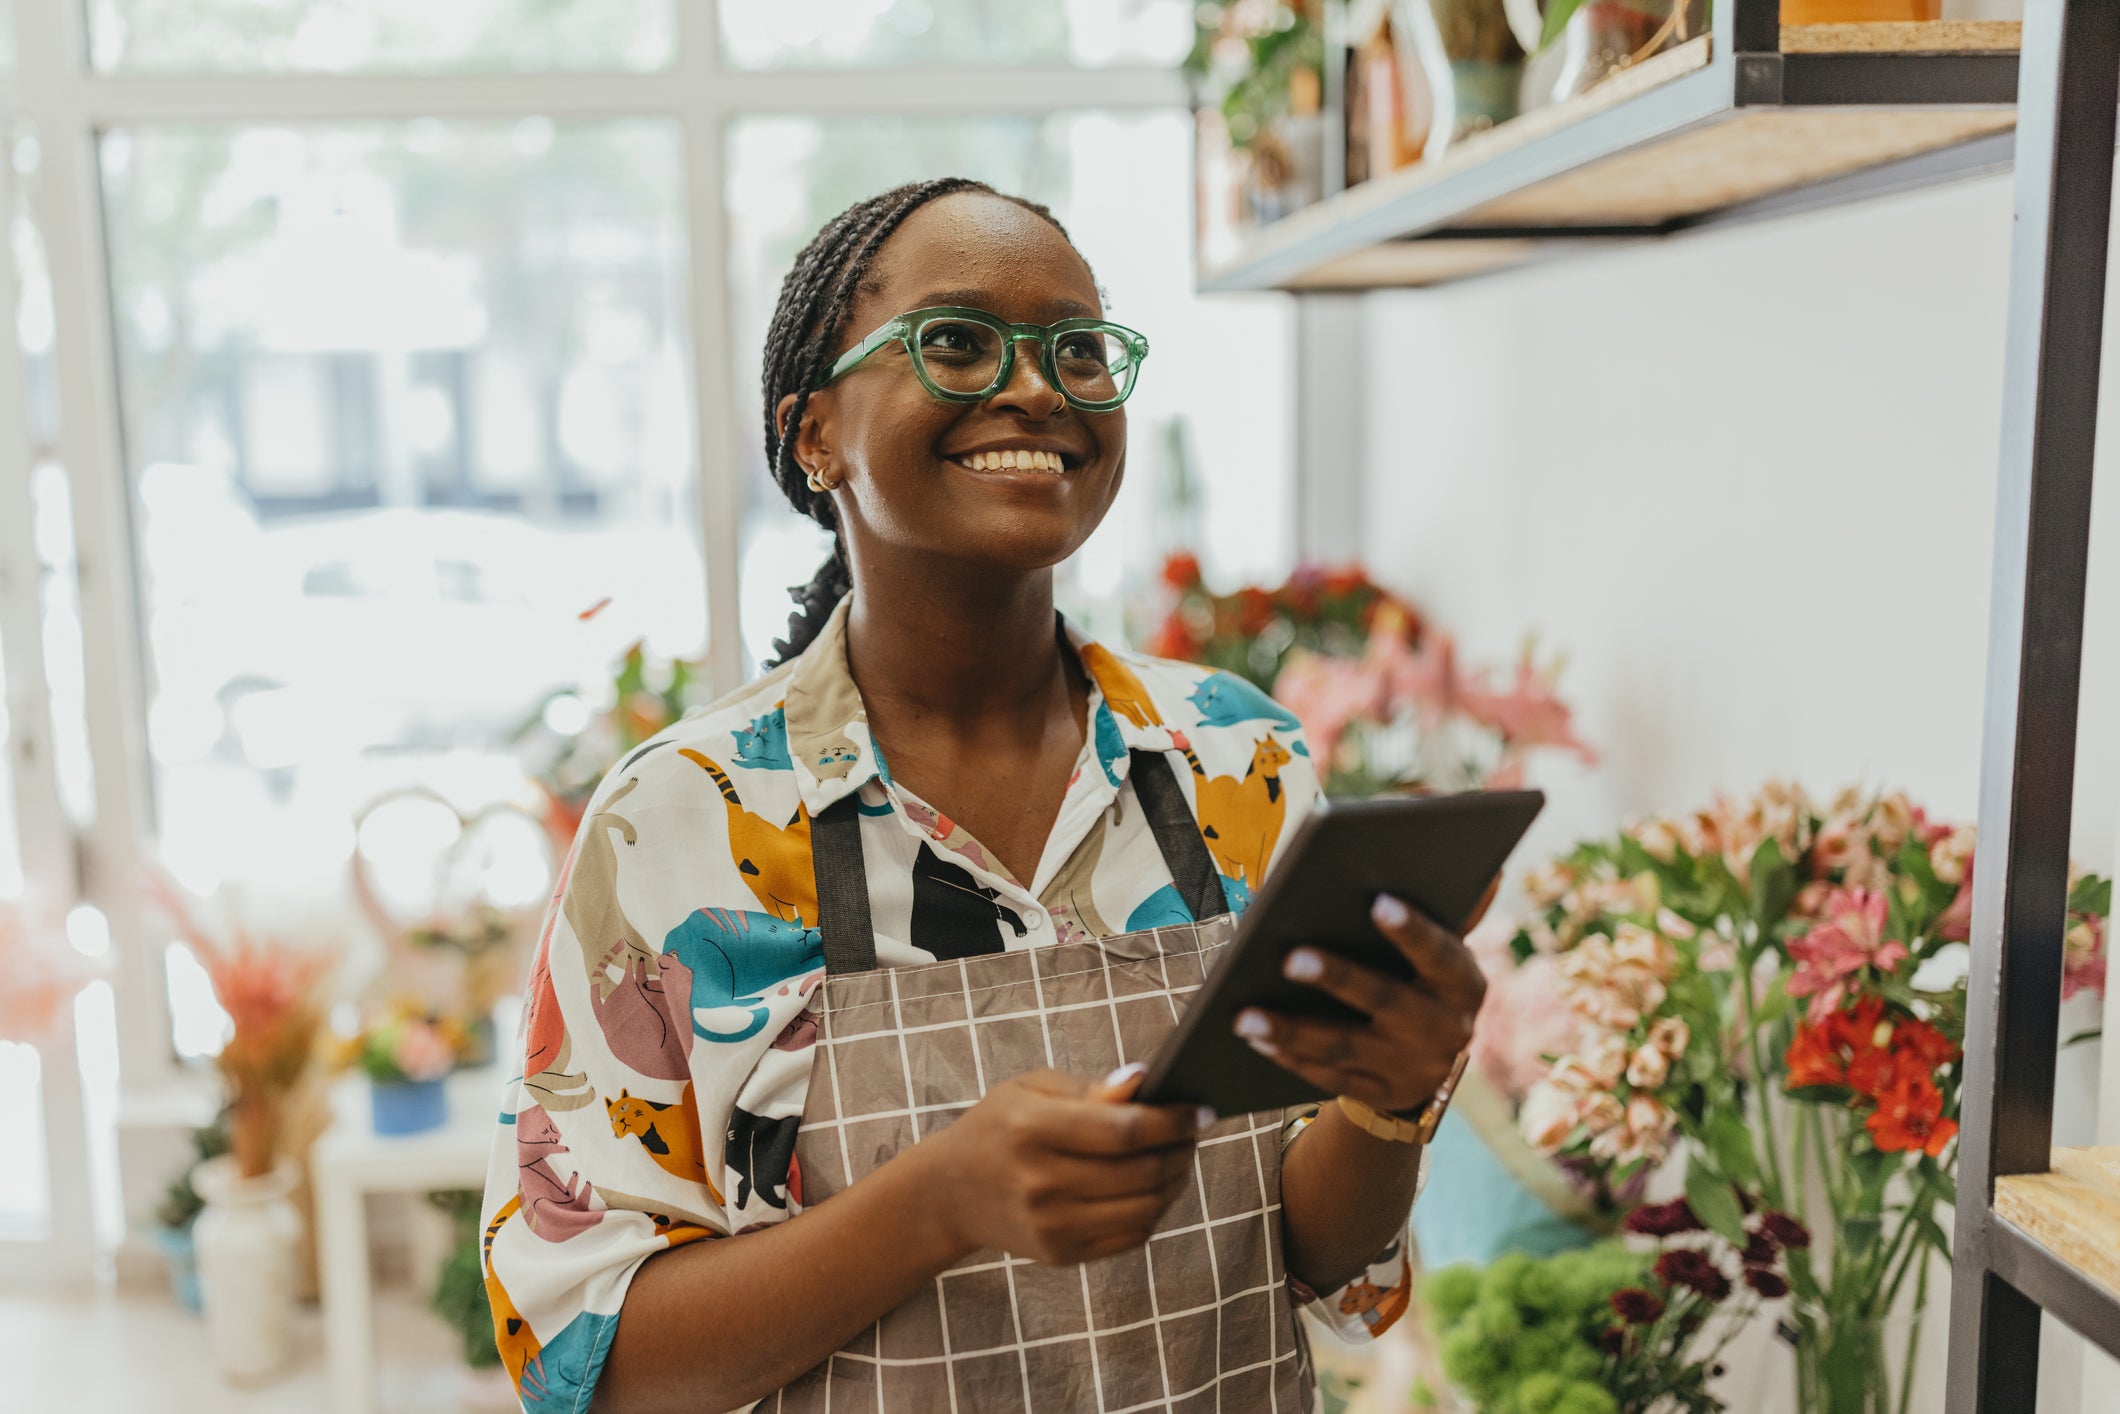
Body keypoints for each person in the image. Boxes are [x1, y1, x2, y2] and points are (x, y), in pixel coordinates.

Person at [479, 177, 1487, 1413]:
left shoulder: (1238, 759)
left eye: (1076, 349)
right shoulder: (681, 822)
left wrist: (1387, 1100)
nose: (1036, 388)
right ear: (814, 434)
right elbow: (594, 1364)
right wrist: (934, 1199)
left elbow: (1305, 1259)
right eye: (956, 342)